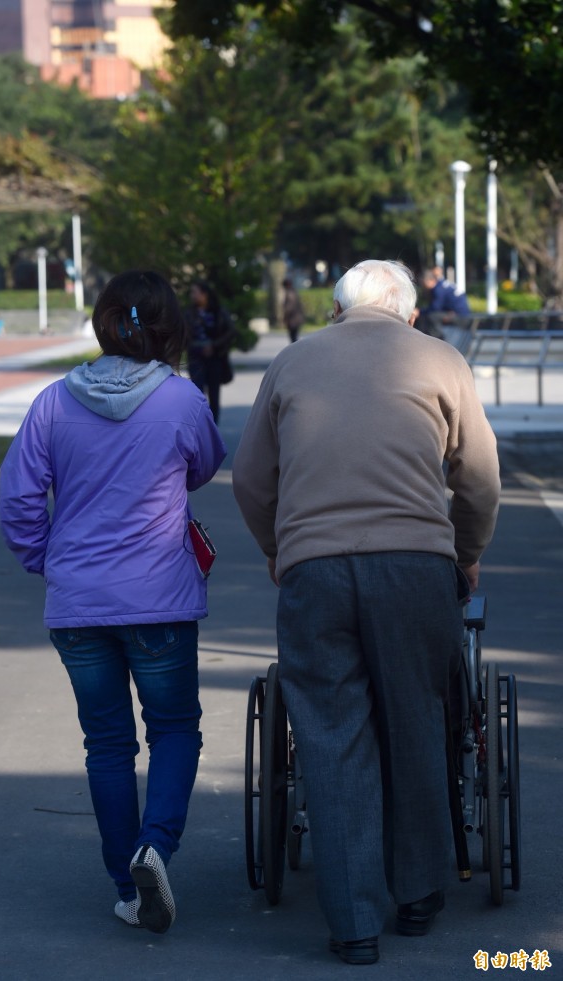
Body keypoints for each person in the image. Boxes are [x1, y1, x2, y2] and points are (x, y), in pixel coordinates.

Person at [232, 259, 500, 965]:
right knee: (417, 716)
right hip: (416, 565)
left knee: (329, 731)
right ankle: (417, 892)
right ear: (409, 313)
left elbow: (254, 480)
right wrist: (465, 553)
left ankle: (353, 922)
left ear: (335, 310)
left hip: (314, 569)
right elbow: (478, 478)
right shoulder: (442, 360)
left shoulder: (291, 364)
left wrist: (278, 546)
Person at [0, 270, 227, 934]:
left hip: (78, 602)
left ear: (102, 324)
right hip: (158, 598)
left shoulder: (52, 402)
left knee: (106, 743)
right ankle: (157, 843)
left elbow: (17, 500)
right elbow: (205, 464)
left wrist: (50, 560)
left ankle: (126, 881)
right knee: (175, 726)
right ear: (169, 331)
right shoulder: (181, 400)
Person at [184, 280, 235, 424]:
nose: (192, 296)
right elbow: (185, 334)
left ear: (204, 294)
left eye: (195, 292)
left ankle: (213, 427)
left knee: (214, 394)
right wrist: (196, 347)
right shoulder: (189, 313)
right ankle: (200, 426)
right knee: (197, 394)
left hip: (215, 357)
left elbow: (230, 331)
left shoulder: (218, 311)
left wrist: (214, 345)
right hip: (196, 357)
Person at [415, 266, 471, 338]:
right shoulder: (442, 284)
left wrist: (419, 311)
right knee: (431, 315)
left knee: (432, 316)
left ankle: (438, 340)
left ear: (429, 281)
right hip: (463, 315)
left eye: (423, 283)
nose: (423, 286)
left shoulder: (438, 290)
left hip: (461, 318)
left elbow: (435, 308)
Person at [282, 277, 305, 342]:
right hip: (296, 318)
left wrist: (285, 318)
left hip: (292, 319)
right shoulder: (294, 292)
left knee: (293, 337)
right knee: (294, 336)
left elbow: (289, 307)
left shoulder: (289, 293)